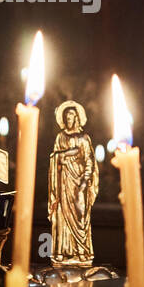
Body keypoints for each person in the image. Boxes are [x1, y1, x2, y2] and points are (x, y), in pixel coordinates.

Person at [48, 100, 98, 264]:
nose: (69, 120)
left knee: (80, 215)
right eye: (66, 117)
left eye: (71, 117)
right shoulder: (60, 137)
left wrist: (85, 181)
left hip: (79, 182)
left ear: (77, 118)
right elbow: (55, 157)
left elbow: (90, 161)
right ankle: (61, 250)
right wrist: (60, 157)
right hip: (64, 181)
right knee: (62, 214)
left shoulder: (84, 138)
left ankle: (82, 250)